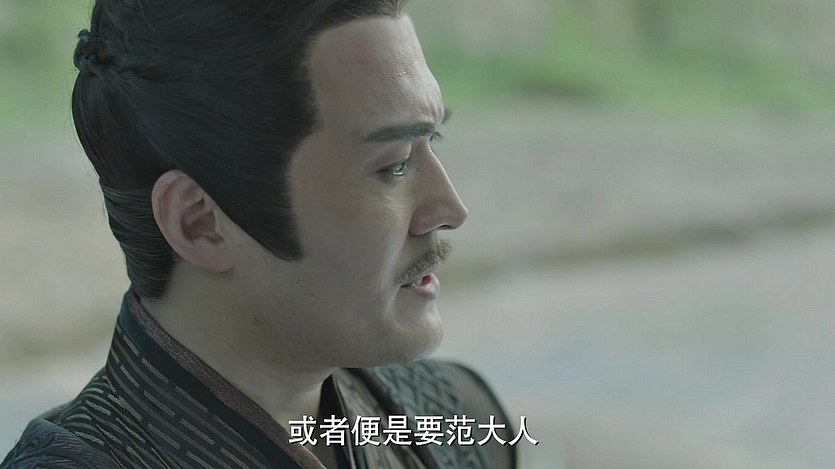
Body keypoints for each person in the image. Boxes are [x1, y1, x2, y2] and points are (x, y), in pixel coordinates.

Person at [2, 1, 516, 468]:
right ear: (200, 222)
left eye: (432, 140)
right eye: (394, 165)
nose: (450, 210)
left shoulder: (457, 416)